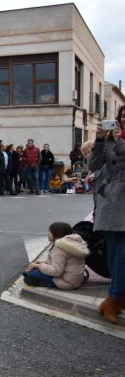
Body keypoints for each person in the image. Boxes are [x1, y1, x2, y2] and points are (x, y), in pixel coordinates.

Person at [89, 105, 125, 324]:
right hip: (111, 198)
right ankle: (118, 298)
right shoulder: (110, 140)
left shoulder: (119, 141)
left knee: (122, 254)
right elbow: (93, 165)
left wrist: (120, 141)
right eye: (122, 116)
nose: (124, 119)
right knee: (113, 253)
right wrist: (100, 140)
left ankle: (112, 299)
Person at [23, 222, 90, 289]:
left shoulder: (60, 248)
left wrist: (38, 266)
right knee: (36, 269)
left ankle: (44, 282)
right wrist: (43, 263)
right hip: (75, 279)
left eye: (50, 232)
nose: (48, 234)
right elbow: (58, 262)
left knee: (33, 272)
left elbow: (56, 272)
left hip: (67, 282)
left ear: (56, 233)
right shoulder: (71, 242)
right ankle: (33, 276)